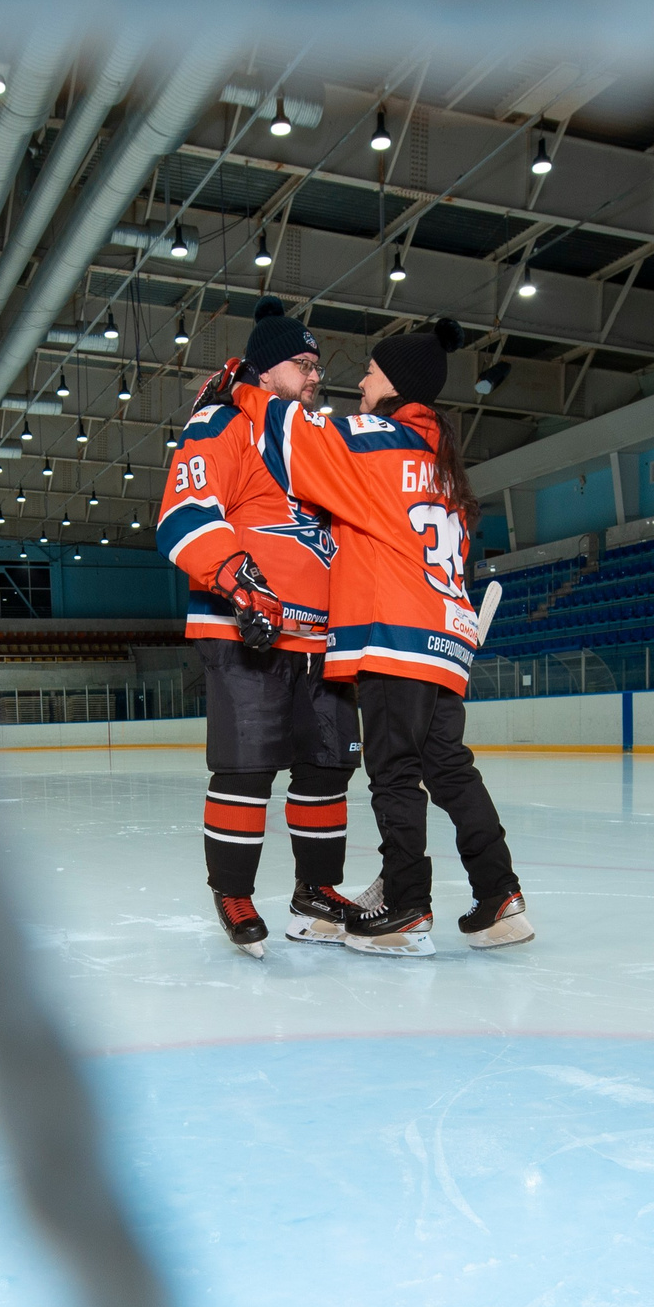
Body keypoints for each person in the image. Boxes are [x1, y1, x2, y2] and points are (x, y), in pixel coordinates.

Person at [275, 317, 533, 957]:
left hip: (393, 634)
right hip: (445, 641)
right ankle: (500, 895)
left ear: (396, 383)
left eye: (369, 370)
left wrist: (250, 393)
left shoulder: (377, 440)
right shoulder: (446, 468)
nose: (359, 381)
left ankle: (407, 908)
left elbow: (297, 438)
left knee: (393, 771)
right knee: (448, 769)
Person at [154, 297, 370, 957]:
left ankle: (317, 888)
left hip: (321, 642)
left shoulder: (311, 438)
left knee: (328, 768)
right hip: (247, 632)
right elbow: (182, 513)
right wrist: (242, 583)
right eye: (302, 365)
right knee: (247, 769)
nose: (315, 377)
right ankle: (233, 890)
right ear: (265, 370)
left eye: (317, 366)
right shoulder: (223, 423)